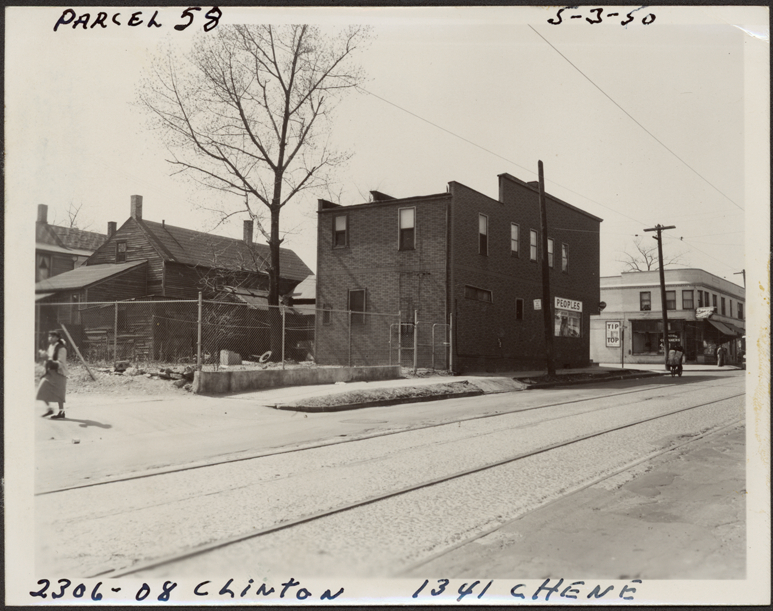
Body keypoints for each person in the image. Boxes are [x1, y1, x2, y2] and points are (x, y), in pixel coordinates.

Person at [36, 330, 68, 418]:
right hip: (49, 373)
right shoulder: (51, 346)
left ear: (58, 338)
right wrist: (45, 357)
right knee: (41, 391)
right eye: (49, 336)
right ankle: (49, 409)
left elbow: (60, 364)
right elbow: (49, 359)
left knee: (59, 393)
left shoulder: (61, 348)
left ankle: (61, 412)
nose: (50, 338)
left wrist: (47, 358)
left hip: (58, 373)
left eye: (53, 336)